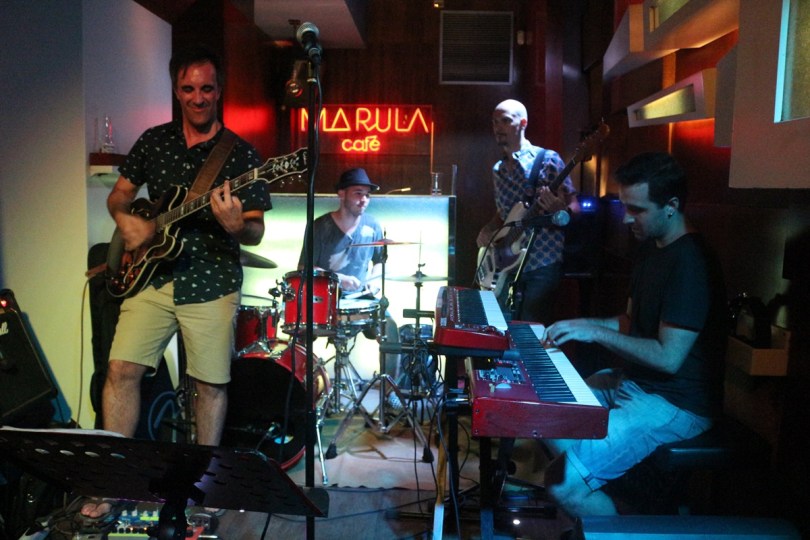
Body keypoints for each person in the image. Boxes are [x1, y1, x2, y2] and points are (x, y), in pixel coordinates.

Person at [81, 44, 272, 520]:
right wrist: (127, 221)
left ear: (219, 91)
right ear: (176, 90)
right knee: (120, 370)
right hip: (152, 277)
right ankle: (112, 482)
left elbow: (255, 228)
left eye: (207, 88)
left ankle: (203, 488)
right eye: (189, 89)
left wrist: (237, 226)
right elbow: (120, 196)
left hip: (211, 279)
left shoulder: (241, 154)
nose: (198, 97)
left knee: (209, 384)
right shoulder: (154, 141)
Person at [540, 152, 727, 517]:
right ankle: (608, 501)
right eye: (625, 206)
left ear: (671, 206)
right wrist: (582, 325)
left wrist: (595, 332)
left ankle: (609, 514)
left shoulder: (691, 263)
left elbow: (668, 358)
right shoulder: (651, 248)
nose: (626, 218)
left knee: (561, 483)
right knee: (548, 414)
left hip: (675, 404)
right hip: (638, 384)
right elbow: (630, 322)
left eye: (637, 209)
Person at [477, 99, 580, 323]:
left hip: (542, 262)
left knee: (530, 329)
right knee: (499, 325)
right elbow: (503, 215)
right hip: (506, 264)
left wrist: (559, 209)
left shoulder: (547, 159)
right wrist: (488, 229)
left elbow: (574, 206)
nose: (498, 127)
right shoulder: (498, 170)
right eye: (495, 122)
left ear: (523, 123)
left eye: (505, 121)